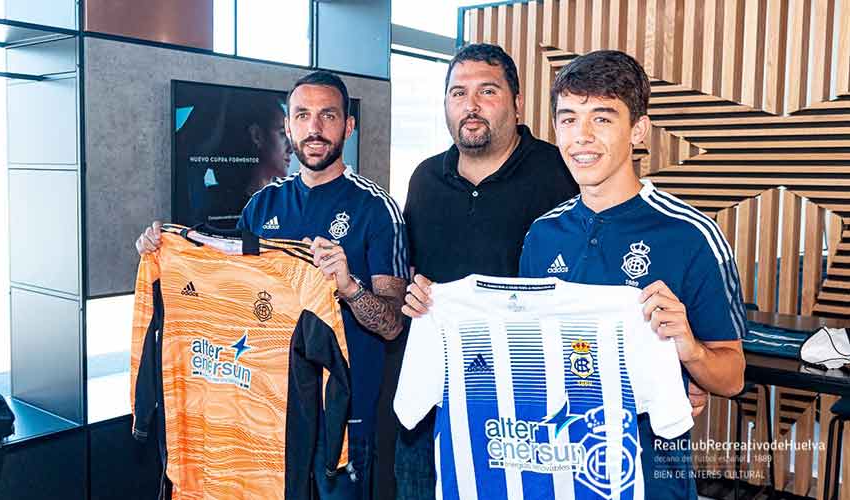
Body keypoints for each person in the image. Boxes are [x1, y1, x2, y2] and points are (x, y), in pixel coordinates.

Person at [137, 70, 408, 500]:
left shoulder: (376, 208)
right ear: (288, 126)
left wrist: (349, 287)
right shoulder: (262, 204)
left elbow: (393, 324)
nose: (314, 129)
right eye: (302, 116)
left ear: (348, 125)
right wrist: (162, 251)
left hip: (345, 418)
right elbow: (229, 298)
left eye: (328, 116)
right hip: (271, 416)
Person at [516, 50, 746, 499]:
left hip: (651, 480)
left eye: (601, 118)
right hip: (553, 474)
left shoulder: (693, 235)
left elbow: (732, 376)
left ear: (637, 131)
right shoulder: (541, 234)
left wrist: (690, 351)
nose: (581, 137)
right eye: (567, 119)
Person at [390, 43, 578, 500]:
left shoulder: (562, 172)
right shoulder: (424, 180)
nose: (470, 106)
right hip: (434, 393)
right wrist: (410, 296)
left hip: (530, 404)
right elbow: (409, 278)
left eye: (486, 91)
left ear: (516, 101)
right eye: (458, 93)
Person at [206, 97, 293, 224]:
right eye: (281, 134)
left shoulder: (288, 199)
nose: (291, 149)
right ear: (257, 136)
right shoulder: (220, 207)